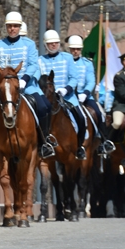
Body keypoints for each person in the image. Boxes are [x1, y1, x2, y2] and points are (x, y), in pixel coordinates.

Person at [0, 12, 53, 158]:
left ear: (19, 27)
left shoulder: (29, 44)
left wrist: (23, 79)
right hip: (3, 86)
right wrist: (3, 80)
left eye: (15, 26)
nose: (12, 29)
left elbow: (32, 64)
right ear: (6, 27)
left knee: (44, 107)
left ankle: (44, 142)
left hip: (27, 85)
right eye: (10, 26)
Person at [38, 30, 87, 160]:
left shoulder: (67, 57)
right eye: (50, 43)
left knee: (81, 118)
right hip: (47, 98)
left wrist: (65, 89)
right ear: (45, 45)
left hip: (67, 96)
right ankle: (41, 146)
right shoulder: (40, 61)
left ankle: (80, 147)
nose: (53, 45)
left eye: (55, 43)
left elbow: (74, 78)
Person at [66, 34, 115, 154]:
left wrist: (86, 93)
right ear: (69, 49)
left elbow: (91, 80)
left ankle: (104, 141)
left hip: (85, 95)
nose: (75, 51)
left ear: (81, 49)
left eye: (77, 49)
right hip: (68, 96)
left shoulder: (87, 63)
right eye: (73, 49)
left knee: (99, 113)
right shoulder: (64, 62)